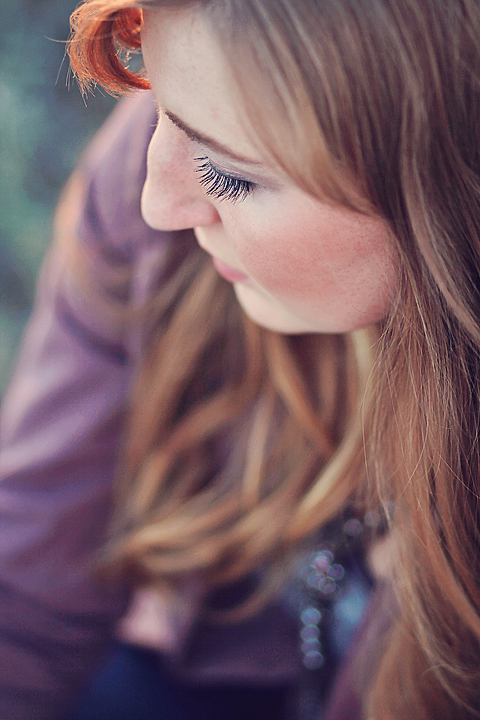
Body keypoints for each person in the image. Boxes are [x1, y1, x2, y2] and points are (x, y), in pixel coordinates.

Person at [1, 0, 480, 717]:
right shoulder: (168, 163)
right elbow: (27, 594)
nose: (156, 202)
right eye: (157, 106)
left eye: (232, 177)